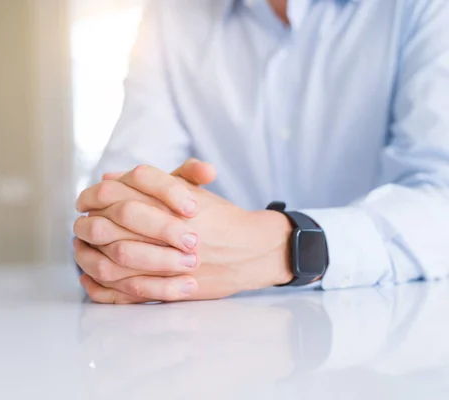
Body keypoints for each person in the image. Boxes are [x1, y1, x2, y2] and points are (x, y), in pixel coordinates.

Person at [73, 0, 449, 304]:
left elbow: (441, 196)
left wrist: (277, 246)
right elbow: (114, 198)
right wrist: (133, 235)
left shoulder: (422, 8)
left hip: (393, 339)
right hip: (209, 343)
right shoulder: (172, 15)